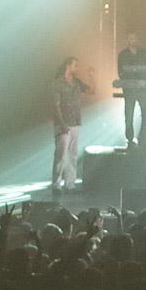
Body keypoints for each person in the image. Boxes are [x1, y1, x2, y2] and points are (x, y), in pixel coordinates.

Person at [52, 56, 93, 196]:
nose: (77, 68)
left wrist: (92, 77)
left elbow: (92, 91)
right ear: (68, 66)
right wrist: (62, 123)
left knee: (72, 155)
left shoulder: (76, 82)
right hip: (63, 124)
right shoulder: (58, 83)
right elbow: (56, 105)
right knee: (61, 155)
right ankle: (56, 184)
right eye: (76, 65)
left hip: (75, 122)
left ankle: (70, 184)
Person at [117, 32, 146, 148]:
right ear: (127, 40)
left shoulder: (143, 54)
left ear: (137, 39)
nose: (132, 40)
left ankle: (142, 137)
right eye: (130, 38)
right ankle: (130, 139)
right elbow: (121, 72)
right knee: (129, 115)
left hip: (143, 89)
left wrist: (144, 80)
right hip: (129, 90)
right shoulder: (123, 55)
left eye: (134, 38)